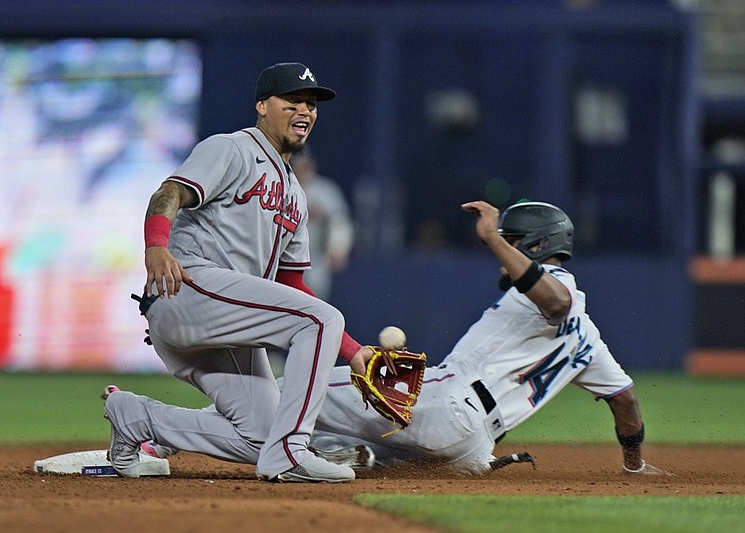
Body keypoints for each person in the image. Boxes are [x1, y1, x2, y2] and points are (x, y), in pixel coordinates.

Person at [100, 62, 375, 483]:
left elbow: (291, 284)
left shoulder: (296, 196)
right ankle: (291, 453)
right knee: (323, 319)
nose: (305, 110)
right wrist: (156, 245)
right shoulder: (232, 148)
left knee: (259, 436)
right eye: (292, 101)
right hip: (187, 288)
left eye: (311, 104)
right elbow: (170, 191)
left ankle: (136, 417)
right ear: (262, 106)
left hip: (226, 317)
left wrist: (355, 353)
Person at [307, 200, 669, 475]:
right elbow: (626, 402)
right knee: (370, 446)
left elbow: (557, 302)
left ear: (538, 248)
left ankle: (297, 452)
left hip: (446, 406)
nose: (502, 253)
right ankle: (352, 455)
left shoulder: (556, 289)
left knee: (293, 390)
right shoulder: (587, 339)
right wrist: (633, 466)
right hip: (474, 450)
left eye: (513, 242)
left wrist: (494, 238)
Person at [290, 147, 354, 301]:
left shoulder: (325, 190)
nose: (302, 169)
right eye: (299, 165)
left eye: (305, 164)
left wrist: (338, 247)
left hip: (317, 256)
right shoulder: (284, 186)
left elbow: (339, 221)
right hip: (289, 255)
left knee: (316, 300)